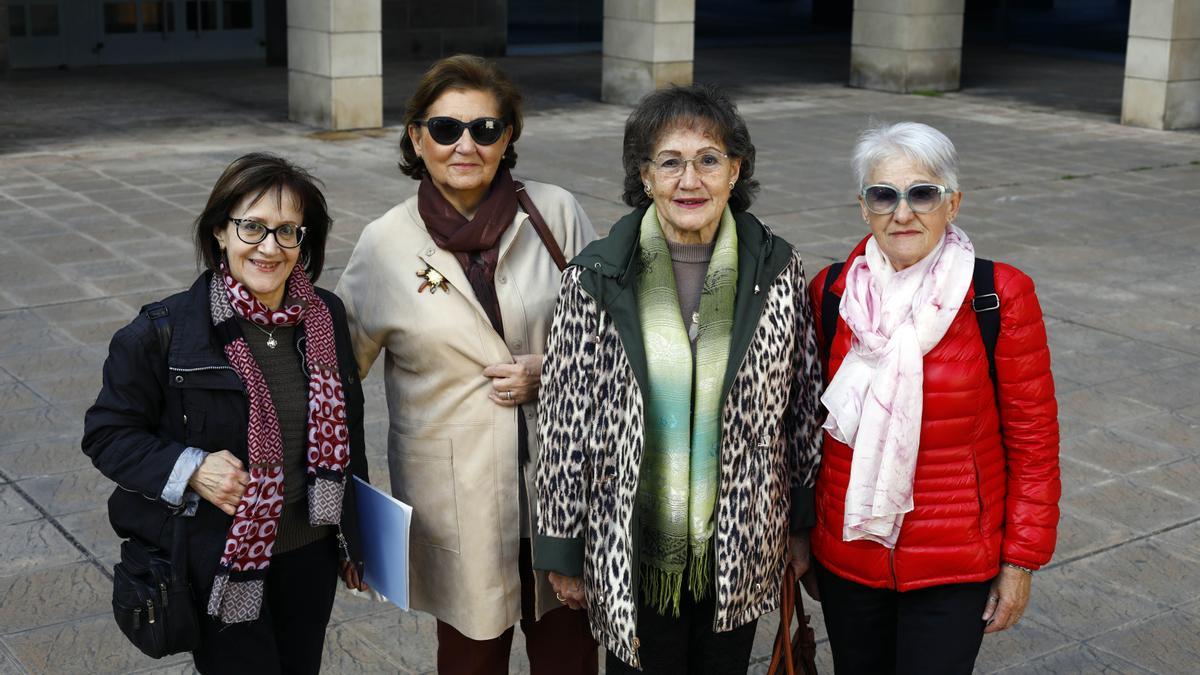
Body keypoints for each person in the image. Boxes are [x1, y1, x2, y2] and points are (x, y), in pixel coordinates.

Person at [533, 83, 826, 674]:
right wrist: (562, 551)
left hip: (741, 542)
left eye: (708, 160)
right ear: (645, 176)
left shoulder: (778, 267)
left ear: (734, 170)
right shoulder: (596, 276)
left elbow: (802, 407)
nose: (689, 180)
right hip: (630, 545)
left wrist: (799, 523)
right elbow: (565, 426)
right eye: (670, 162)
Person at [335, 54, 598, 674]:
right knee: (469, 659)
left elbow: (613, 341)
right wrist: (343, 509)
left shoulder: (555, 214)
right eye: (446, 128)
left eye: (485, 129)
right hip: (455, 496)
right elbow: (337, 377)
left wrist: (550, 371)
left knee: (570, 657)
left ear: (508, 138)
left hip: (559, 489)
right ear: (416, 136)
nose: (465, 145)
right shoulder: (384, 243)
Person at [82, 152, 370, 674]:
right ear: (220, 231)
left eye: (288, 231)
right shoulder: (162, 332)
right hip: (217, 561)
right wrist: (192, 468)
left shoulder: (324, 315)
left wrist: (357, 535)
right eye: (252, 227)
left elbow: (349, 431)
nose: (269, 247)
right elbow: (107, 434)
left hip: (311, 552)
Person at [808, 121, 1061, 674]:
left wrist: (1020, 561)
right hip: (849, 556)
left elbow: (1034, 441)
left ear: (953, 203)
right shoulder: (830, 293)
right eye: (884, 195)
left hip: (954, 563)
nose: (903, 213)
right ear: (863, 207)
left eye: (922, 193)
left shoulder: (999, 295)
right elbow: (805, 432)